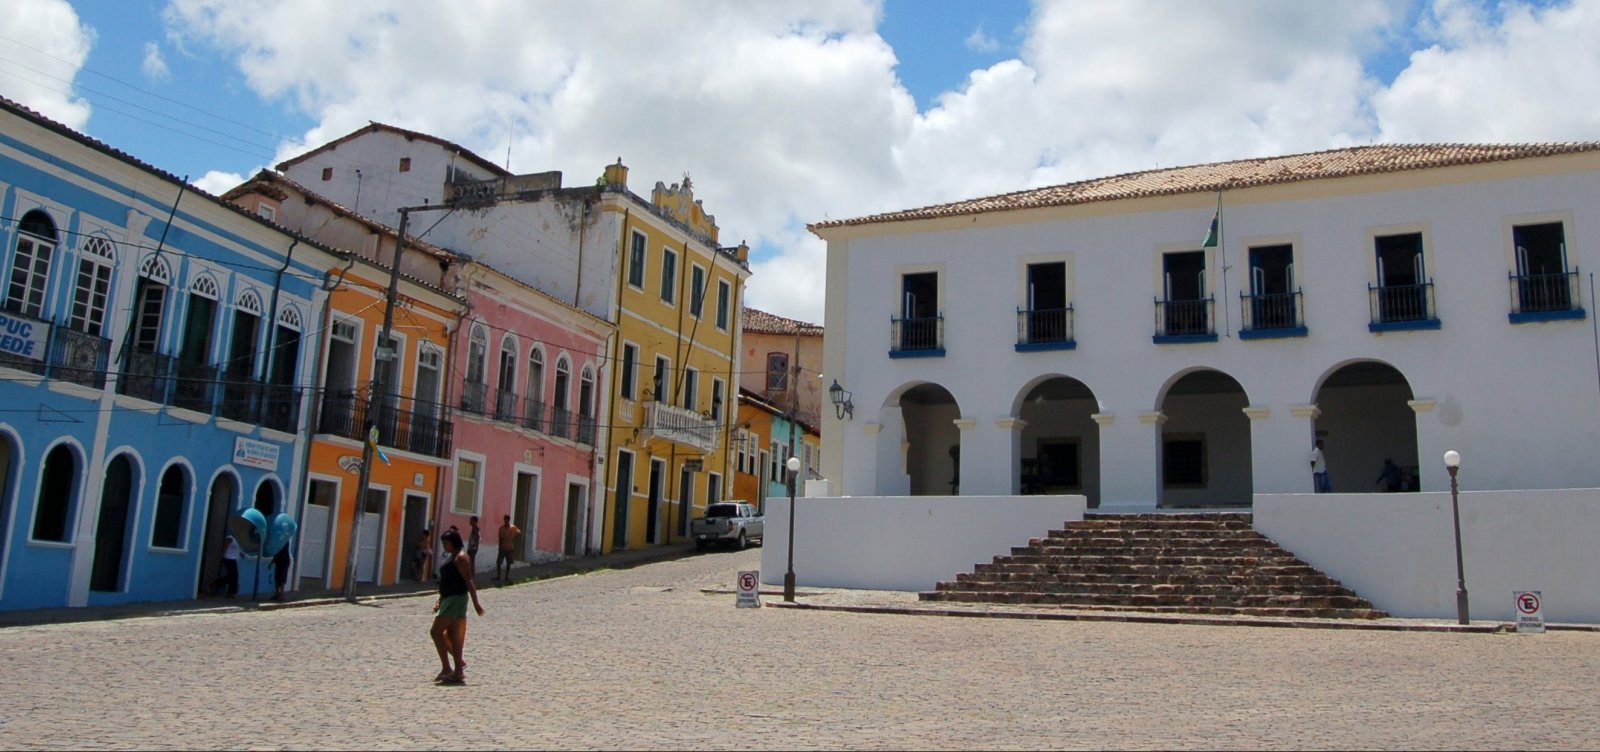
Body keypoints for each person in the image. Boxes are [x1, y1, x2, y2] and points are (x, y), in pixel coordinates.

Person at [429, 529, 485, 684]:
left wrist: (476, 604)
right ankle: (458, 671)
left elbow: (469, 581)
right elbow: (446, 581)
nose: (444, 546)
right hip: (449, 598)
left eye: (446, 543)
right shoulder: (452, 557)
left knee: (436, 631)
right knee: (454, 636)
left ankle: (447, 667)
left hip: (456, 599)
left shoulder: (461, 558)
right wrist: (440, 600)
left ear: (453, 542)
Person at [494, 515, 522, 581]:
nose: (505, 521)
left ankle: (506, 577)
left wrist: (514, 538)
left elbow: (519, 533)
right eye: (504, 520)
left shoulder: (513, 527)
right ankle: (498, 576)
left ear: (509, 520)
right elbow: (500, 538)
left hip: (509, 547)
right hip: (502, 547)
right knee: (499, 562)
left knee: (508, 563)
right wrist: (499, 546)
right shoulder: (501, 528)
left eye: (506, 520)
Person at [212, 532, 240, 598]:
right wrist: (220, 557)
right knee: (233, 575)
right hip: (227, 558)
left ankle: (217, 583)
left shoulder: (237, 539)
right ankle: (230, 593)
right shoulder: (229, 538)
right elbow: (224, 548)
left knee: (233, 576)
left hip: (233, 559)